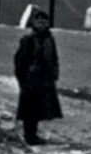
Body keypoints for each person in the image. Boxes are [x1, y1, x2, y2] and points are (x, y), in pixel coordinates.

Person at [13, 10, 62, 145]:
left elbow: (54, 57)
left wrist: (54, 72)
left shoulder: (49, 39)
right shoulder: (28, 39)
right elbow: (20, 62)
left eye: (44, 22)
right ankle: (29, 136)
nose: (41, 25)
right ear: (34, 23)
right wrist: (23, 80)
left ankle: (33, 134)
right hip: (31, 79)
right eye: (39, 22)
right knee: (30, 109)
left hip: (44, 79)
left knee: (38, 109)